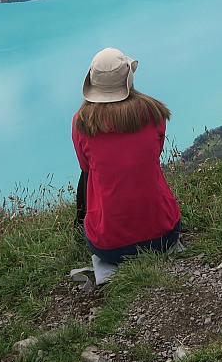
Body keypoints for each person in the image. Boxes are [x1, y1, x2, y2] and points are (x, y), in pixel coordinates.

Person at [70, 47, 181, 286]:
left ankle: (89, 225)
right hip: (164, 235)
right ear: (128, 79)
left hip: (109, 248)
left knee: (86, 176)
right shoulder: (154, 113)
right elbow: (154, 155)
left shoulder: (81, 122)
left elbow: (85, 165)